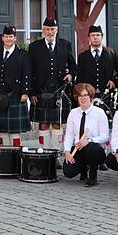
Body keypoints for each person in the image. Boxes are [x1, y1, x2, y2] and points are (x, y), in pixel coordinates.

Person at [29, 18, 76, 154]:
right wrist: (32, 92)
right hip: (40, 90)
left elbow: (73, 65)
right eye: (47, 29)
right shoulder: (34, 46)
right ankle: (44, 152)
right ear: (43, 30)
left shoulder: (65, 44)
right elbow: (29, 70)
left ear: (57, 30)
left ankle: (55, 153)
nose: (50, 32)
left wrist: (71, 74)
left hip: (59, 90)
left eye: (53, 29)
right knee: (43, 124)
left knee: (57, 123)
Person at [0, 25, 31, 146]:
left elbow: (27, 74)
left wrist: (25, 92)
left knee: (15, 131)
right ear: (2, 38)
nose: (8, 39)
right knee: (2, 130)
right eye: (6, 36)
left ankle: (15, 155)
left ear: (15, 38)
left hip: (15, 95)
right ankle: (5, 156)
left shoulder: (22, 54)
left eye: (11, 37)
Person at [62, 83, 108, 187]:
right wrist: (67, 151)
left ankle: (92, 175)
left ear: (91, 96)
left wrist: (89, 140)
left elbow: (105, 136)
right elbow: (69, 135)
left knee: (91, 148)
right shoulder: (73, 113)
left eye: (85, 95)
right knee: (68, 172)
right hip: (78, 148)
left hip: (95, 149)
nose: (83, 98)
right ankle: (83, 169)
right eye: (80, 96)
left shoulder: (99, 113)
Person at [76, 24, 118, 118]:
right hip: (89, 95)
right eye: (93, 35)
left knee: (107, 120)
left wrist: (114, 80)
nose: (95, 38)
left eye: (98, 35)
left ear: (102, 37)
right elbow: (80, 78)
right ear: (89, 38)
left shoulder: (110, 53)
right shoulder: (83, 56)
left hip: (106, 94)